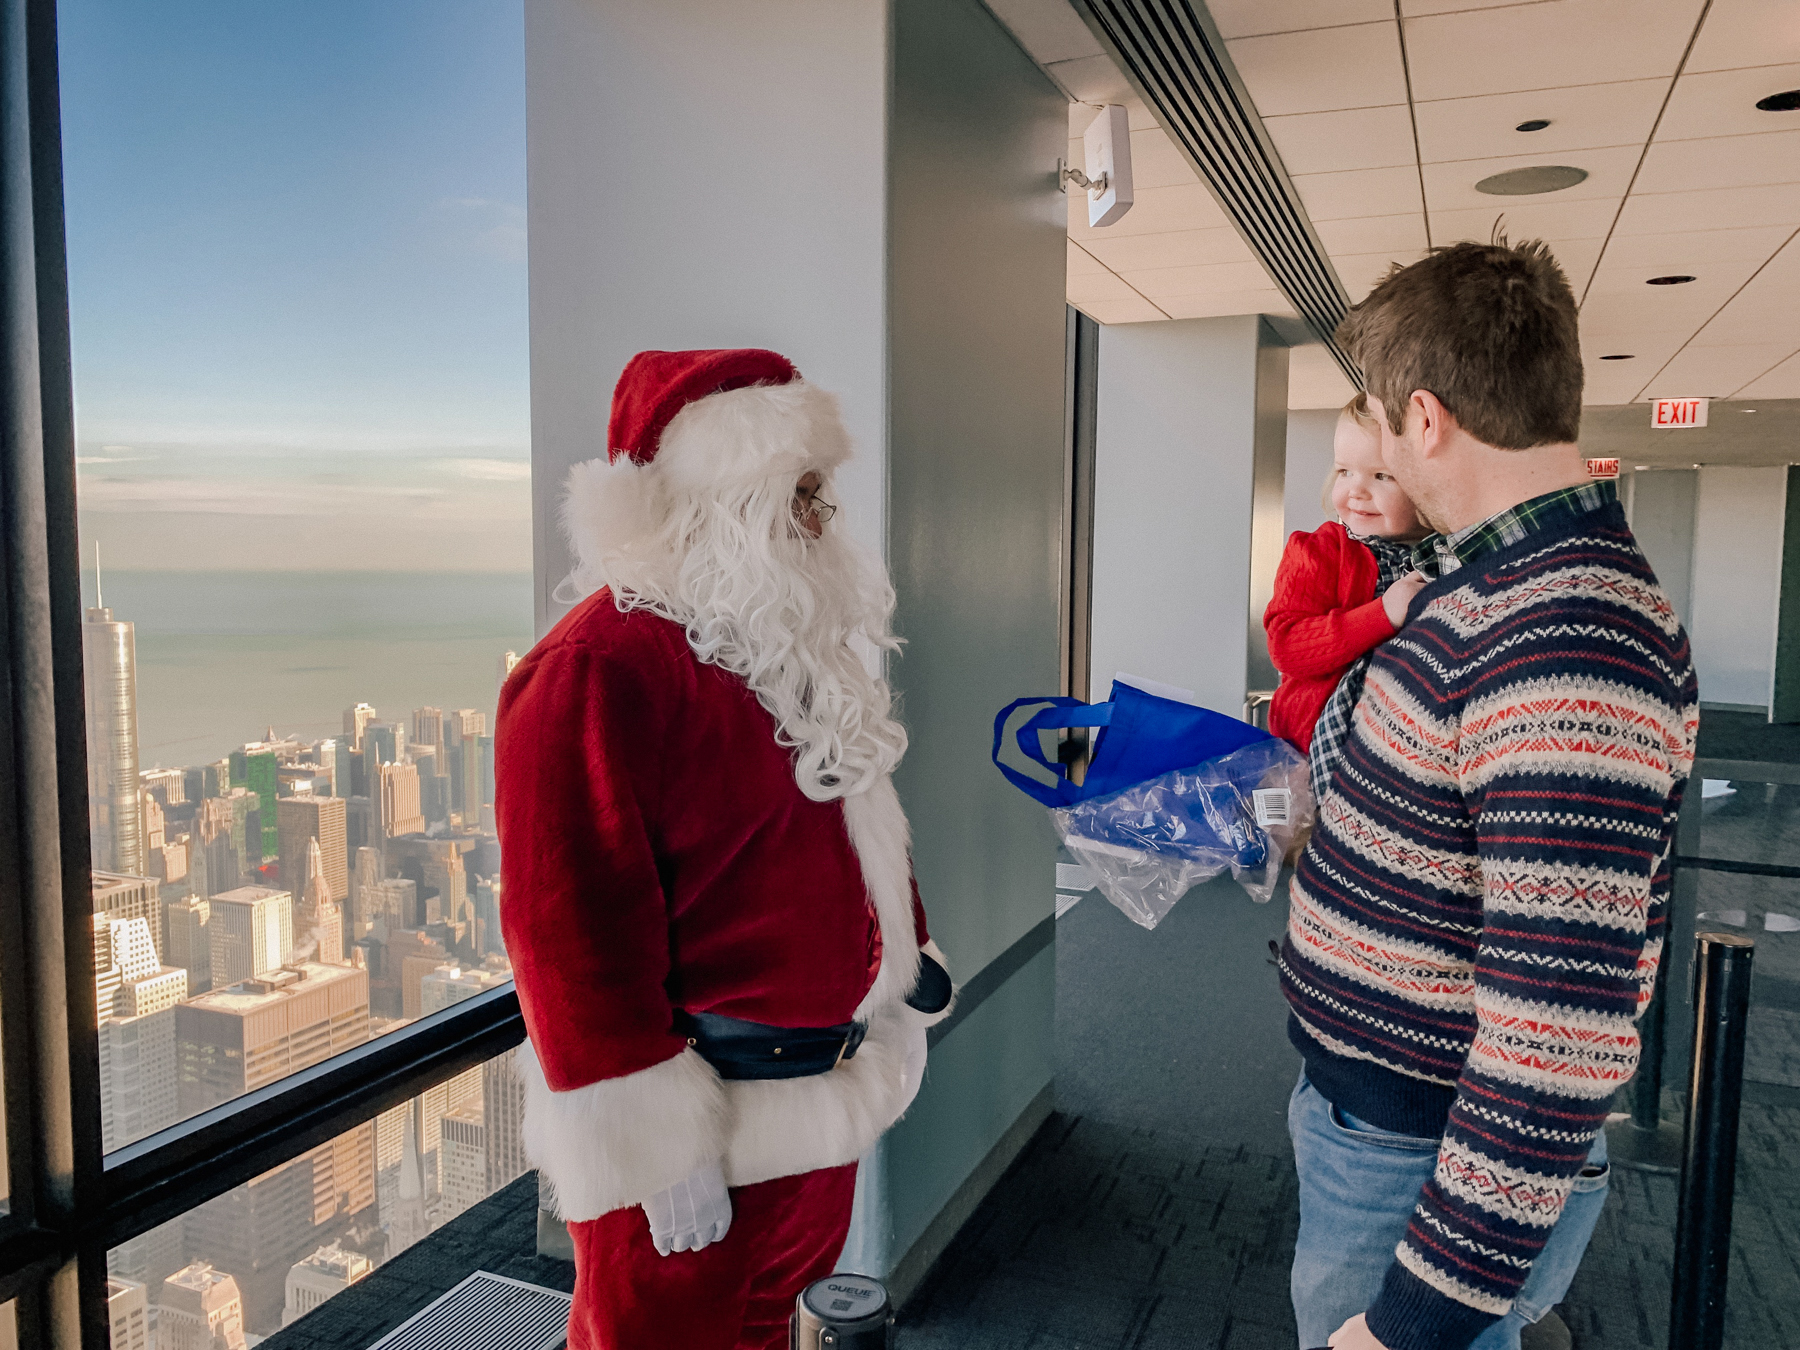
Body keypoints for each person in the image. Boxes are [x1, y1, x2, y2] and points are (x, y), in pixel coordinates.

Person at [1275, 241, 1697, 1350]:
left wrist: (1414, 1321)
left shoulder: (1568, 642)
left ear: (1424, 418)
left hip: (1420, 1156)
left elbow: (1556, 1035)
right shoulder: (1490, 583)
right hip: (1387, 1118)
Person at [496, 348, 952, 1350]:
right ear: (721, 499)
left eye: (819, 491)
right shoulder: (596, 668)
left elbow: (857, 829)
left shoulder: (781, 652)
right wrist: (656, 1146)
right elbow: (565, 931)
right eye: (800, 492)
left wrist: (907, 963)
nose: (824, 518)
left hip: (817, 1106)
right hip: (699, 1139)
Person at [1264, 394, 1430, 806]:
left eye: (1382, 476)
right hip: (1310, 759)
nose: (1356, 491)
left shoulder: (1445, 559)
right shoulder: (1318, 552)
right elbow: (1287, 646)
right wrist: (1383, 614)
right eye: (1344, 471)